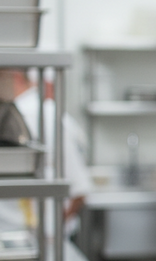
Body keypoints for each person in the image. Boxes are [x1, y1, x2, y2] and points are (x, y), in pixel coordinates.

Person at [0, 68, 93, 235]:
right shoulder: (13, 114)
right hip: (29, 232)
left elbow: (79, 189)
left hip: (41, 234)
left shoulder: (45, 115)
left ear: (15, 77)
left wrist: (53, 231)